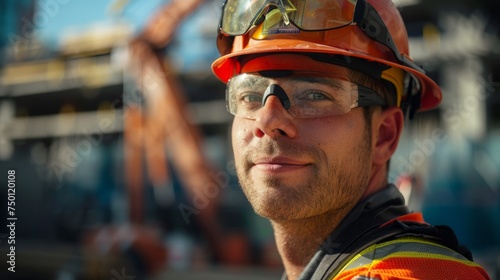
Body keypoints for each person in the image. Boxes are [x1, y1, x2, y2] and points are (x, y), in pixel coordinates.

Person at [211, 0, 491, 279]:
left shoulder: (404, 274)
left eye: (315, 96)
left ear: (384, 135)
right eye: (249, 96)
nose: (267, 121)